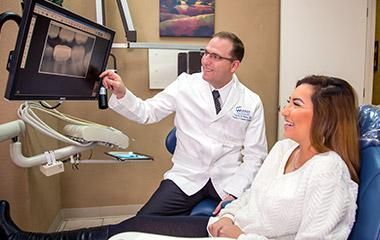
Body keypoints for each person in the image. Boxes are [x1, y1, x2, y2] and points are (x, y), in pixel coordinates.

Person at [0, 75, 360, 239]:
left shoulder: (327, 171)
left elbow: (252, 162)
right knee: (133, 224)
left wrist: (233, 214)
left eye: (295, 103)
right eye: (206, 53)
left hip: (227, 194)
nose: (283, 109)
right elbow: (145, 112)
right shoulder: (287, 149)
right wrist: (233, 213)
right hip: (193, 182)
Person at [100, 31, 268, 216]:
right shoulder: (185, 85)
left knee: (235, 229)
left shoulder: (251, 101)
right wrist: (122, 93)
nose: (205, 61)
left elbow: (255, 156)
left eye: (215, 57)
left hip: (228, 181)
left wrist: (235, 193)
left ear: (234, 65)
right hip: (187, 177)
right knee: (143, 222)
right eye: (205, 53)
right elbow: (148, 113)